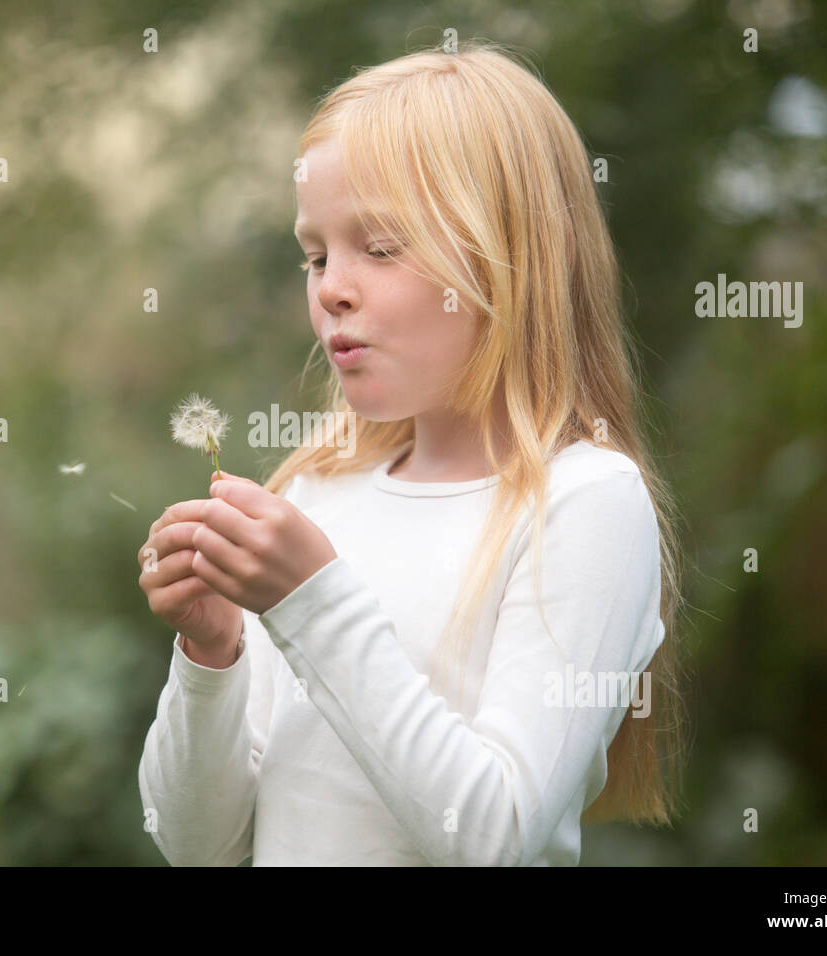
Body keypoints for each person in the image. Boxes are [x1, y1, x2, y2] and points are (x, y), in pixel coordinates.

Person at [136, 40, 686, 866]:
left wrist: (311, 601)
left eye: (381, 247)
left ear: (510, 260)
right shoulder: (318, 493)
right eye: (316, 255)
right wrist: (213, 654)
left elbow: (494, 834)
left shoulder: (586, 504)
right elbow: (196, 847)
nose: (331, 287)